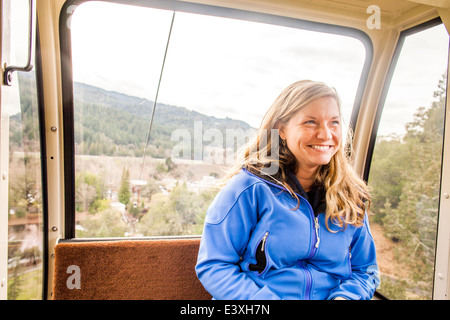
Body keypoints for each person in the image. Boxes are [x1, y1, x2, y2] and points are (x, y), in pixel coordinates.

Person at [195, 80, 380, 300]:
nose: (325, 134)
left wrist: (346, 298)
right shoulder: (249, 188)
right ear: (281, 129)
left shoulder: (350, 196)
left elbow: (365, 270)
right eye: (311, 122)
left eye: (334, 122)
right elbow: (215, 265)